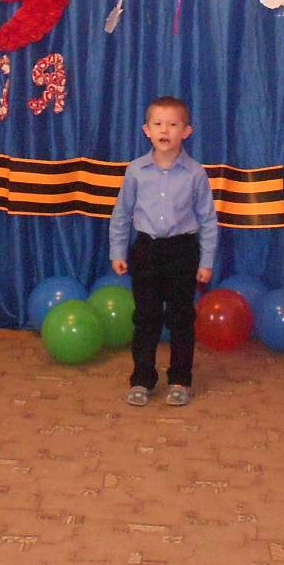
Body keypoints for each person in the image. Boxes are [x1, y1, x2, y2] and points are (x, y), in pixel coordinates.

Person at [109, 96, 219, 408]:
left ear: (186, 131)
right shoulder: (136, 171)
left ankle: (180, 380)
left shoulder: (195, 173)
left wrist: (206, 261)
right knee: (146, 317)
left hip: (182, 251)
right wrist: (118, 251)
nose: (165, 130)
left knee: (181, 318)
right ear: (146, 130)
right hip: (146, 250)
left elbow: (208, 220)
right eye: (158, 124)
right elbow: (121, 214)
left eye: (172, 124)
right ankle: (142, 379)